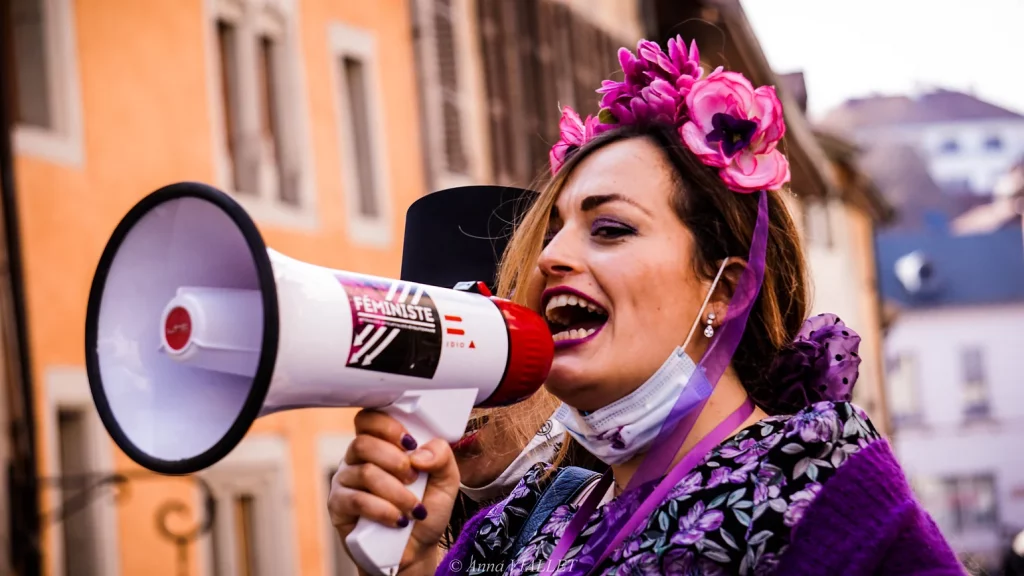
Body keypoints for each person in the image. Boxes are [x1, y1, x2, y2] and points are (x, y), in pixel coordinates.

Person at [328, 37, 964, 575]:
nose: (550, 259)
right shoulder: (525, 520)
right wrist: (412, 563)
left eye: (610, 229)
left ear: (726, 289)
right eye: (553, 233)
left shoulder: (816, 486)